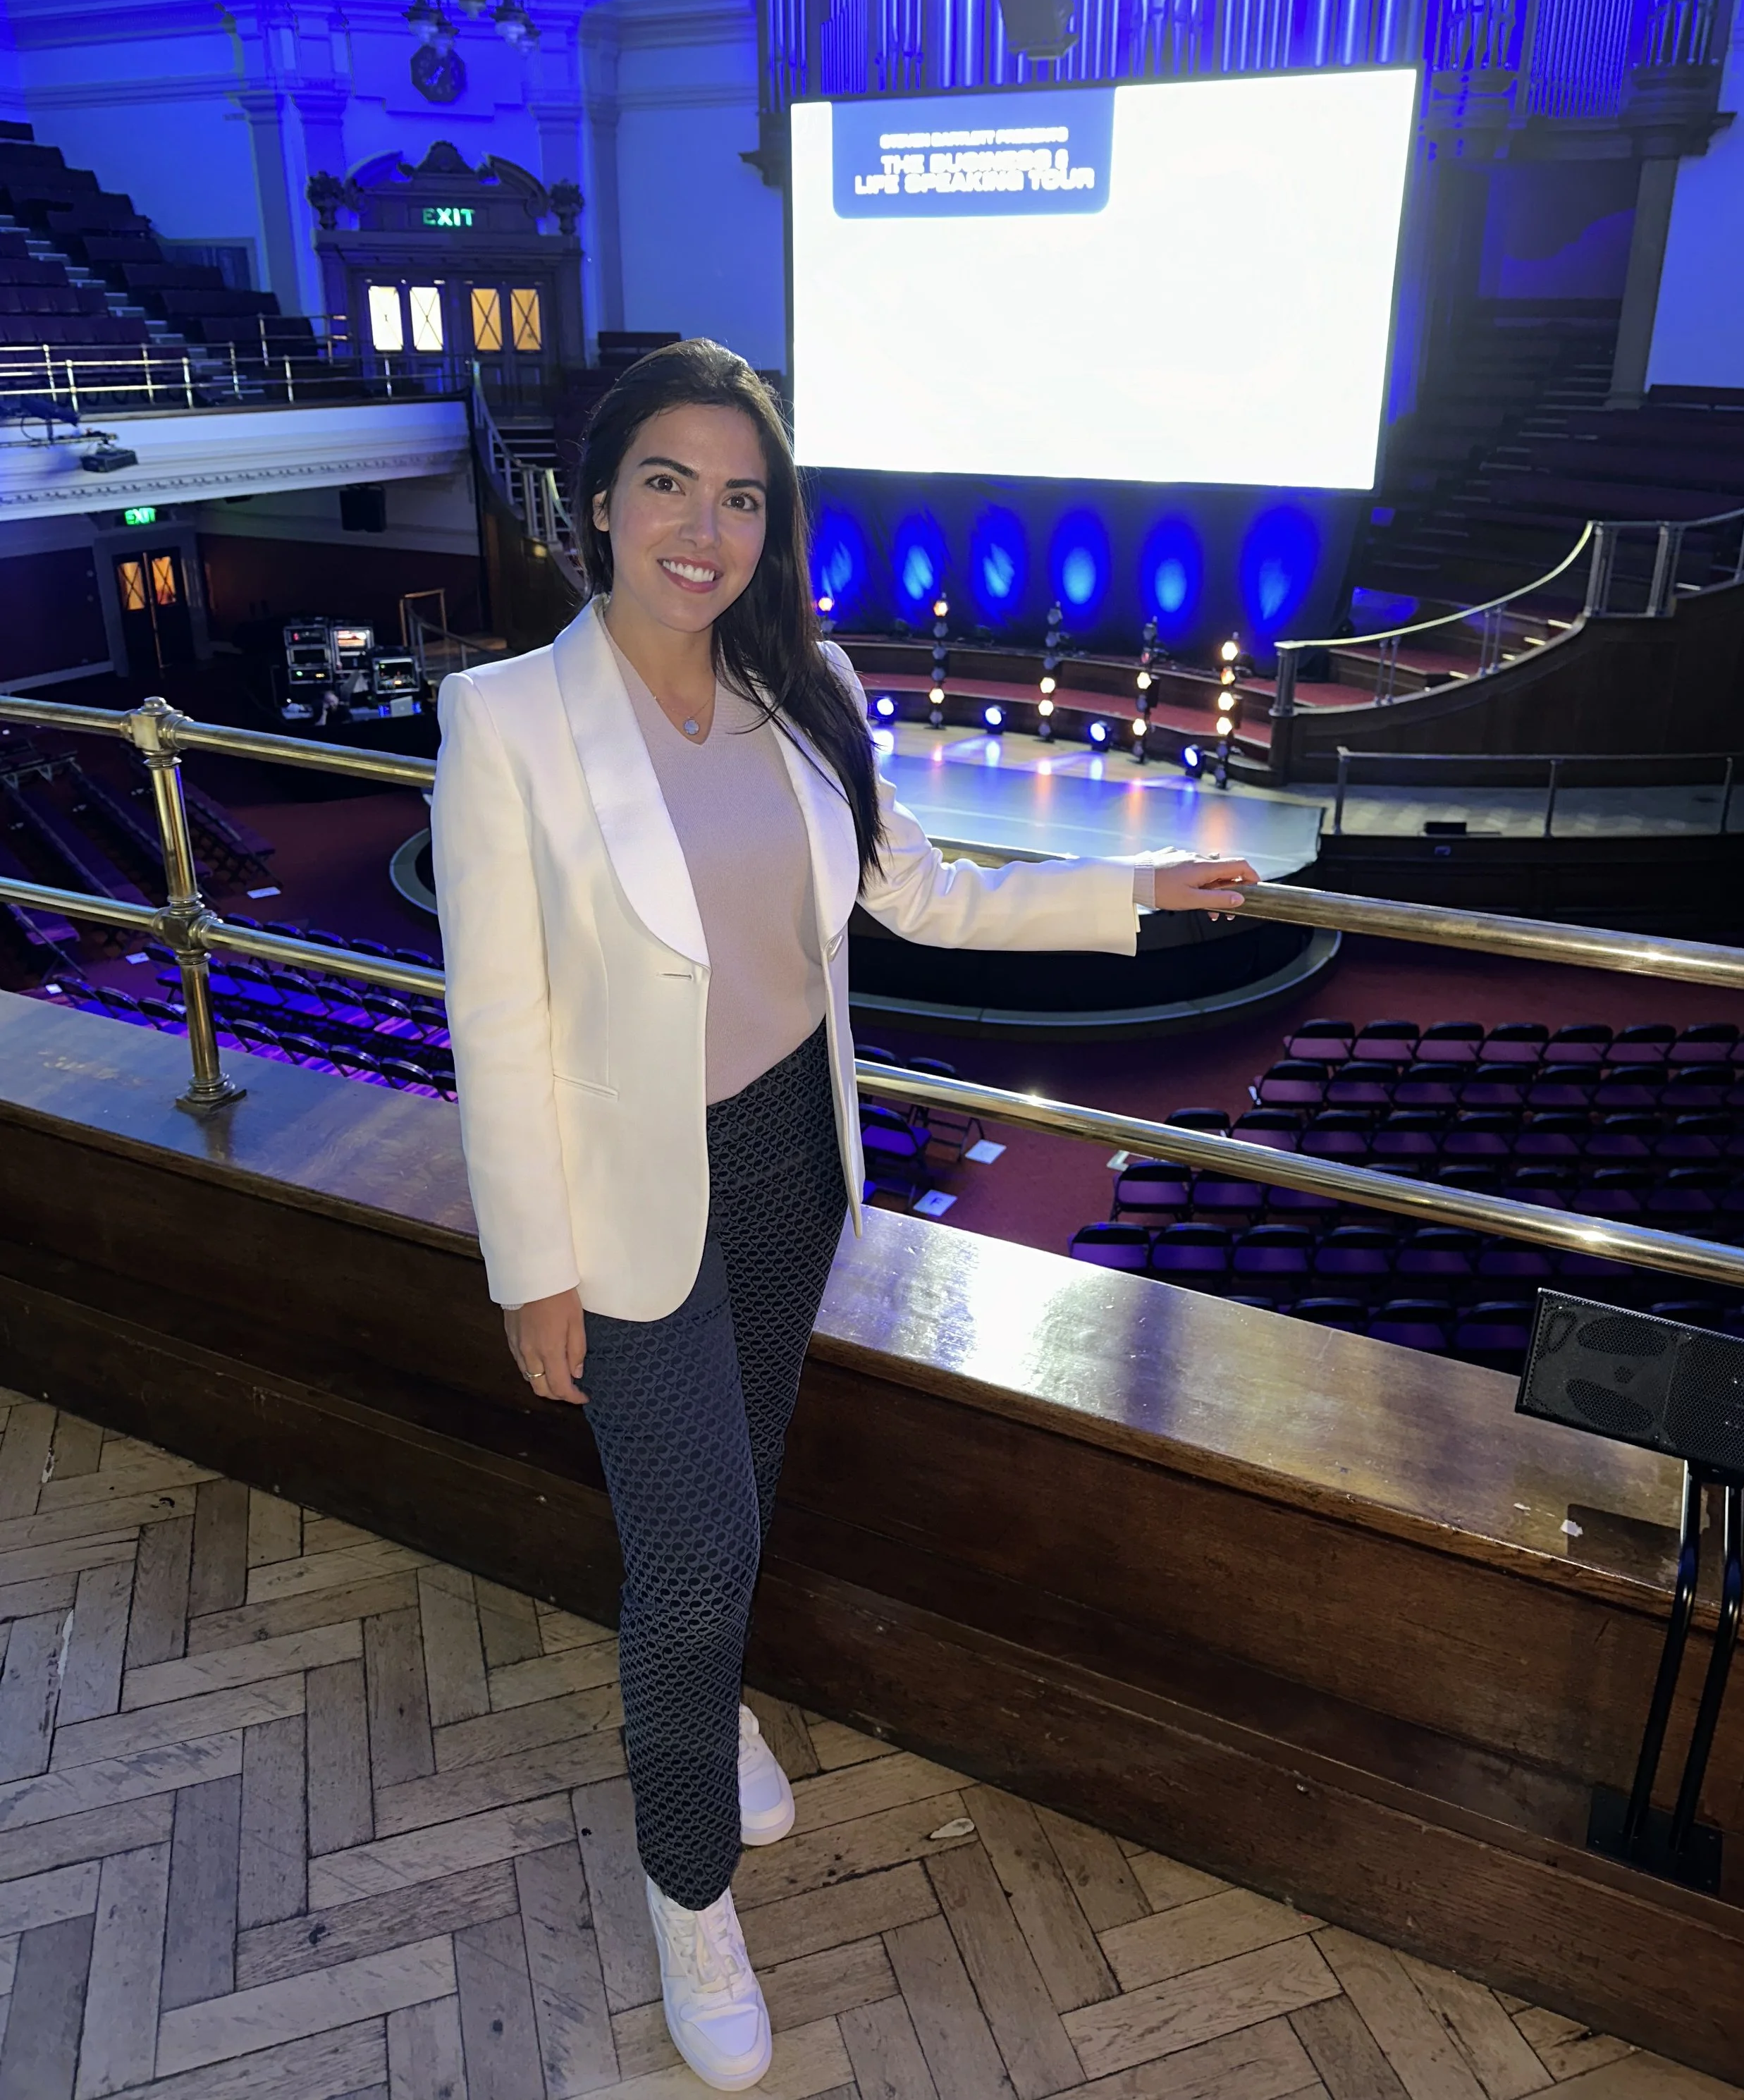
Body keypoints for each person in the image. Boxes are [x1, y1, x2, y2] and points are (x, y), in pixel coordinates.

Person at [429, 338, 1258, 2092]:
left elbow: (924, 896)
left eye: (741, 495)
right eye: (668, 480)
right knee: (694, 1550)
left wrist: (1132, 889)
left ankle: (710, 1699)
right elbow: (497, 1025)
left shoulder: (800, 680)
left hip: (794, 1161)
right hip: (630, 1192)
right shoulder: (504, 722)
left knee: (743, 1484)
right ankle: (686, 1892)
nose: (701, 525)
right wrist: (534, 1270)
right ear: (599, 500)